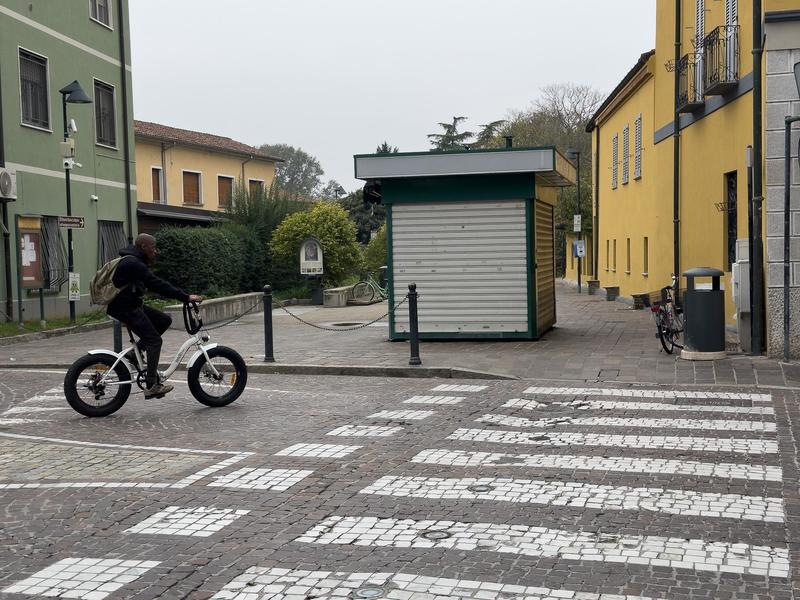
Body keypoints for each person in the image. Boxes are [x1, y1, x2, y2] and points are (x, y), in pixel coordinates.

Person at [107, 233, 202, 398]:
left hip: (130, 305)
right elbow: (156, 284)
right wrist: (185, 297)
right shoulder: (133, 263)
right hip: (126, 308)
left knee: (164, 320)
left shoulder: (132, 260)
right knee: (154, 341)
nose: (155, 251)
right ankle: (151, 385)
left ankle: (133, 354)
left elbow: (149, 284)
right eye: (153, 247)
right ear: (144, 247)